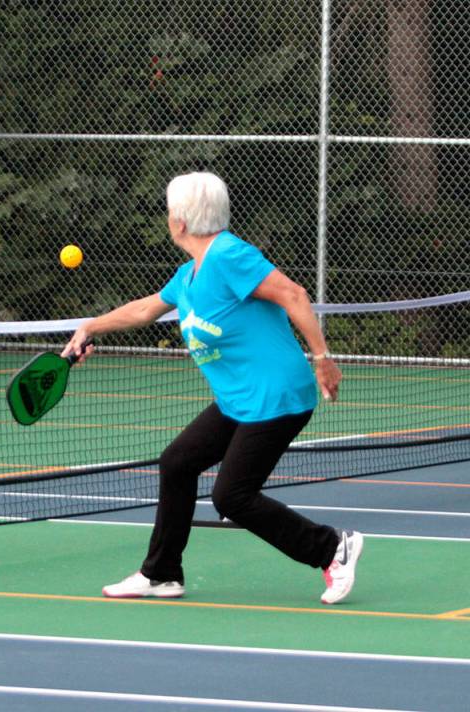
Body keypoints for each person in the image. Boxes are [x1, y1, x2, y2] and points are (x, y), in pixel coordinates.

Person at [62, 172, 360, 605]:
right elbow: (147, 308)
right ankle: (162, 573)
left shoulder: (228, 256)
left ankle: (332, 548)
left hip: (277, 397)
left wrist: (322, 358)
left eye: (170, 211)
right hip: (238, 399)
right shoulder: (190, 275)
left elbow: (294, 294)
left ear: (180, 221)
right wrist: (90, 326)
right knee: (178, 463)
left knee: (232, 495)